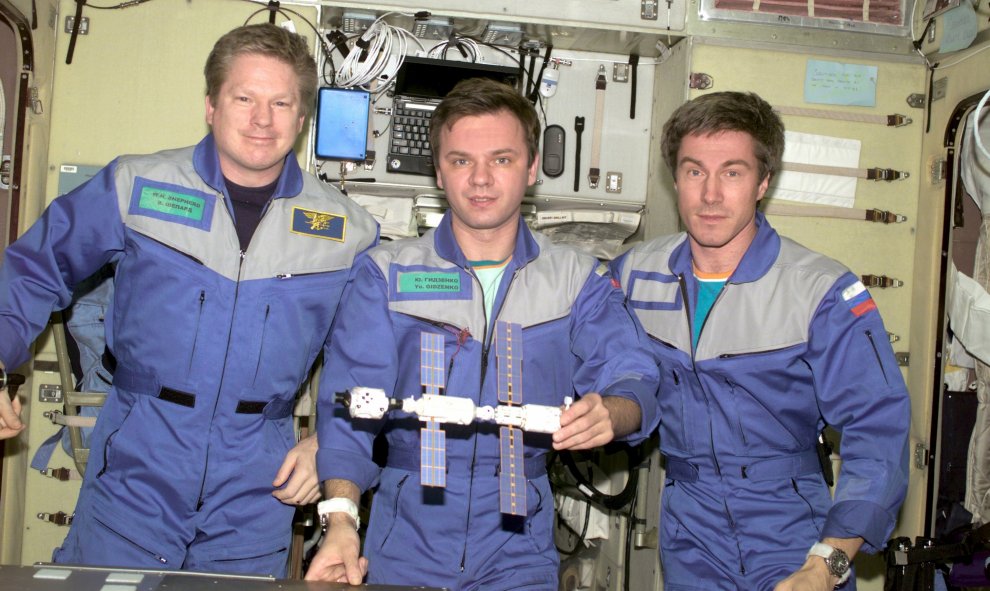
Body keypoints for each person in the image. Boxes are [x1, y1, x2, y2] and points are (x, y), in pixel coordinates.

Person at [0, 23, 378, 576]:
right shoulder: (136, 188)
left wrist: (329, 441)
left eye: (280, 103)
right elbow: (35, 268)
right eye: (243, 98)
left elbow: (363, 367)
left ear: (301, 120)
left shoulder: (347, 232)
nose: (261, 119)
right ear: (210, 105)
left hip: (256, 490)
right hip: (135, 470)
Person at [304, 77, 660, 590]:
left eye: (502, 159)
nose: (481, 179)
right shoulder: (385, 275)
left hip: (519, 544)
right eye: (461, 160)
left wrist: (613, 412)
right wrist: (341, 521)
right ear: (438, 170)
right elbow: (348, 414)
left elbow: (635, 380)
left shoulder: (577, 281)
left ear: (532, 167)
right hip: (405, 537)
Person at [610, 91, 911, 590]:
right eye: (693, 171)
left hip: (792, 528)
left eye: (732, 172)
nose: (710, 195)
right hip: (690, 527)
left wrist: (826, 567)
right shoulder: (634, 275)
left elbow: (878, 432)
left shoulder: (819, 290)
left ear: (763, 182)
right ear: (674, 178)